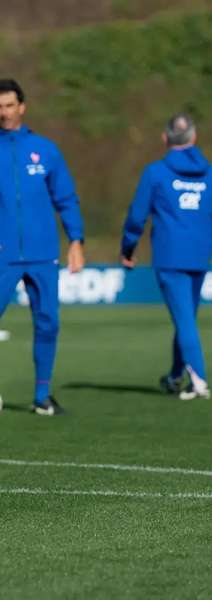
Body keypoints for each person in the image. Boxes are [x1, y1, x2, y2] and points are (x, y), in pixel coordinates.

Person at [0, 79, 85, 416]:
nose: (4, 112)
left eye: (9, 105)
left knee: (48, 324)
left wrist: (76, 239)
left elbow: (66, 198)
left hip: (43, 254)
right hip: (0, 255)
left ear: (22, 106)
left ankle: (42, 397)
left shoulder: (46, 149)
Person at [120, 113, 211, 400]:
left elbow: (137, 215)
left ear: (165, 138)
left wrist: (128, 248)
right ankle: (175, 375)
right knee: (185, 317)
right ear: (193, 138)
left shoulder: (156, 172)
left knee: (184, 320)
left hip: (171, 257)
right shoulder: (209, 172)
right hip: (199, 256)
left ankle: (198, 380)